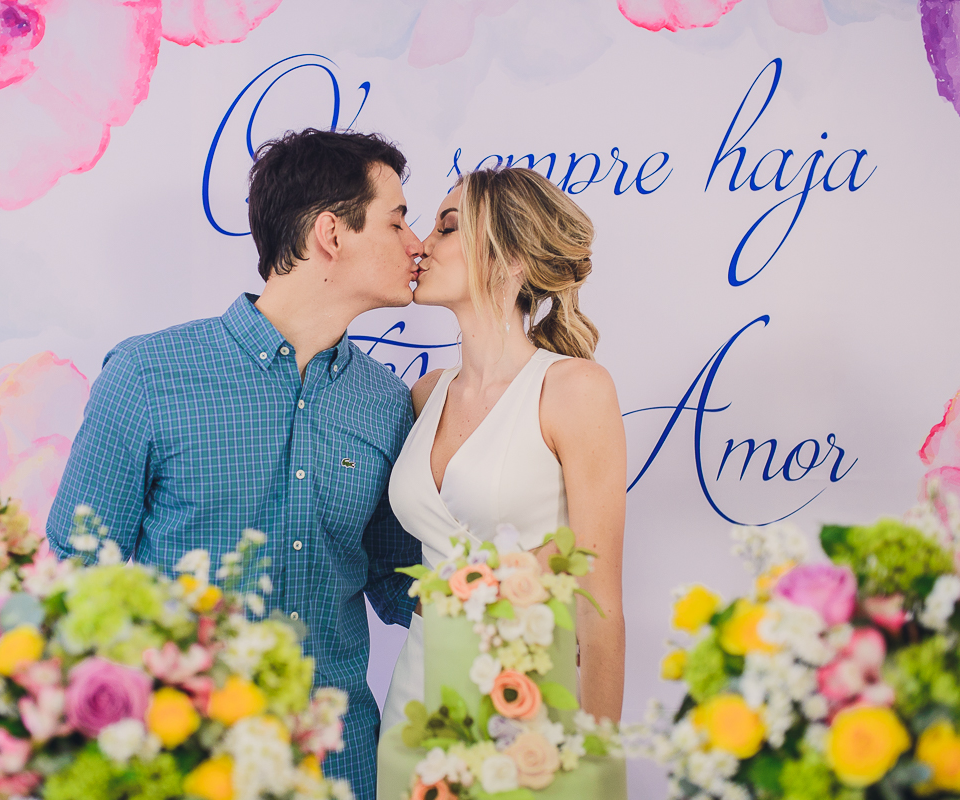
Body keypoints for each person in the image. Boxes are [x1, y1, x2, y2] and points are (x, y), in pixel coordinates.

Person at [46, 128, 425, 800]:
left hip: (335, 766)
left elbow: (400, 584)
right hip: (180, 765)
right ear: (331, 236)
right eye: (398, 222)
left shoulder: (387, 404)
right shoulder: (146, 375)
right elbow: (76, 575)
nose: (416, 244)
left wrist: (513, 600)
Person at [379, 166, 627, 740]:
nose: (420, 243)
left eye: (446, 227)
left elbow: (600, 602)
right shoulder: (424, 394)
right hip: (416, 704)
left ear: (509, 257)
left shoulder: (574, 390)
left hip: (529, 701)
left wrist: (597, 762)